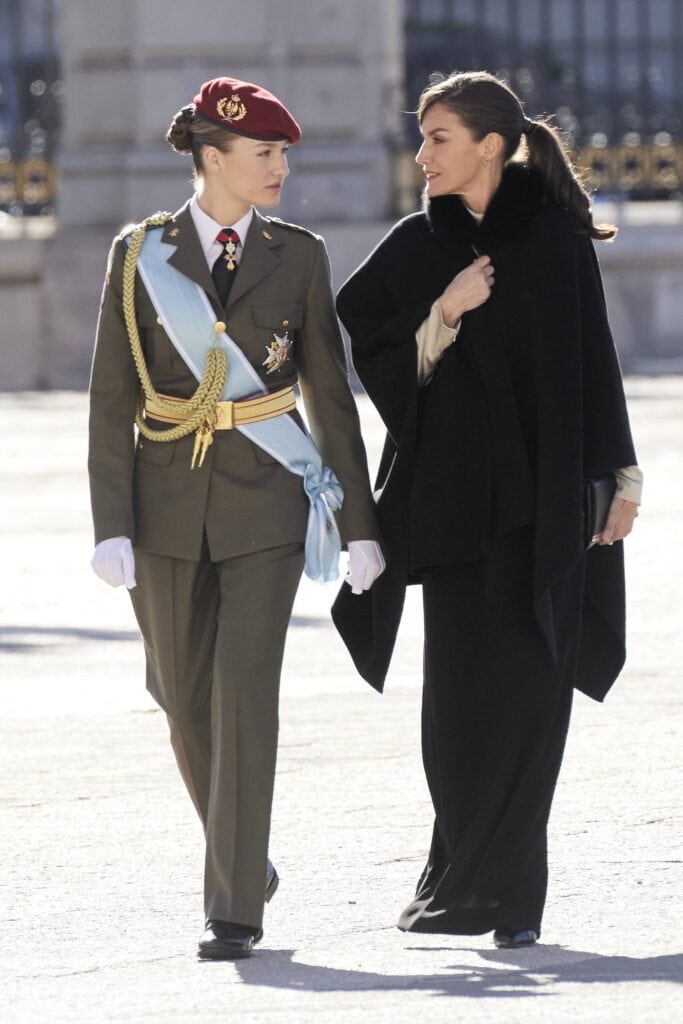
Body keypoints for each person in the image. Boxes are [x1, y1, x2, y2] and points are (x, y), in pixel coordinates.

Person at [331, 71, 642, 949]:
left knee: (536, 690)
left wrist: (621, 479)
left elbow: (593, 359)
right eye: (421, 137)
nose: (421, 153)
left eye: (437, 137)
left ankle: (514, 898)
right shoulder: (414, 245)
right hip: (455, 512)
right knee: (461, 701)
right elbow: (368, 334)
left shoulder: (551, 238)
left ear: (490, 146)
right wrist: (443, 313)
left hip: (548, 505)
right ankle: (458, 880)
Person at [88, 76, 384, 961]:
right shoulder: (138, 252)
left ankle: (232, 907)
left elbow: (330, 394)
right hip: (163, 502)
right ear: (212, 159)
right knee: (179, 700)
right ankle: (245, 861)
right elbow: (110, 397)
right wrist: (109, 521)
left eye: (283, 152)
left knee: (245, 695)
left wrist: (359, 521)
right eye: (264, 154)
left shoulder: (298, 254)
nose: (281, 168)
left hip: (268, 500)